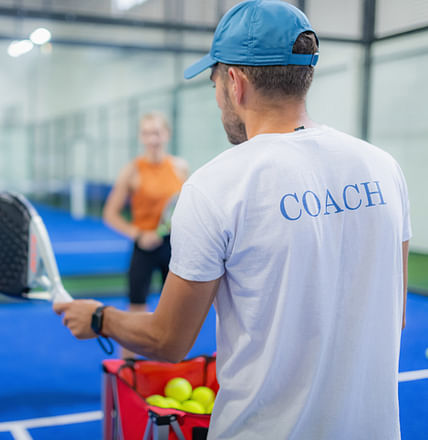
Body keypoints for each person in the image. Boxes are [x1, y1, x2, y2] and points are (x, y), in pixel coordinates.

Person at [54, 1, 411, 439]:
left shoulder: (213, 186)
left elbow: (169, 340)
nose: (218, 97)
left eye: (214, 83)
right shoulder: (383, 167)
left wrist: (99, 319)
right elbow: (394, 314)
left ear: (235, 83)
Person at [102, 112, 188, 359]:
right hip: (143, 247)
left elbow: (185, 206)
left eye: (157, 132)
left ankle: (168, 366)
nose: (153, 138)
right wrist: (138, 234)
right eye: (147, 133)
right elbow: (110, 214)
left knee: (172, 313)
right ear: (142, 137)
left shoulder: (179, 167)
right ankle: (126, 371)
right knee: (136, 312)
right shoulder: (131, 171)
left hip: (173, 247)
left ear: (167, 134)